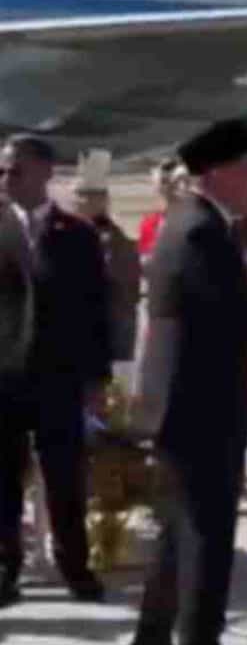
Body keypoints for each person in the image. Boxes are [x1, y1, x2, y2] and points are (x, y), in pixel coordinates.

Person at [131, 119, 247, 645]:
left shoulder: (193, 222)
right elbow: (231, 313)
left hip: (185, 406)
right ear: (219, 173)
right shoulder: (200, 230)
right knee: (204, 545)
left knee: (176, 539)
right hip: (201, 410)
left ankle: (152, 637)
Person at [0, 134, 111, 608]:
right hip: (4, 379)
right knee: (4, 482)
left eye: (14, 170)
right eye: (2, 171)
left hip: (58, 379)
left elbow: (96, 311)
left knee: (66, 480)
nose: (5, 179)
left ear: (44, 172)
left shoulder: (77, 235)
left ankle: (75, 568)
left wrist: (97, 379)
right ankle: (5, 570)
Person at [70, 149, 143, 364]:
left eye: (83, 196)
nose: (77, 201)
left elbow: (125, 294)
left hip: (104, 333)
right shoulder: (72, 232)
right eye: (77, 195)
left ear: (101, 200)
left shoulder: (114, 240)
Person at [137, 157, 188, 265]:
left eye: (184, 182)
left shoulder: (203, 221)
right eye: (173, 183)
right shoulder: (149, 224)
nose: (181, 187)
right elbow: (144, 263)